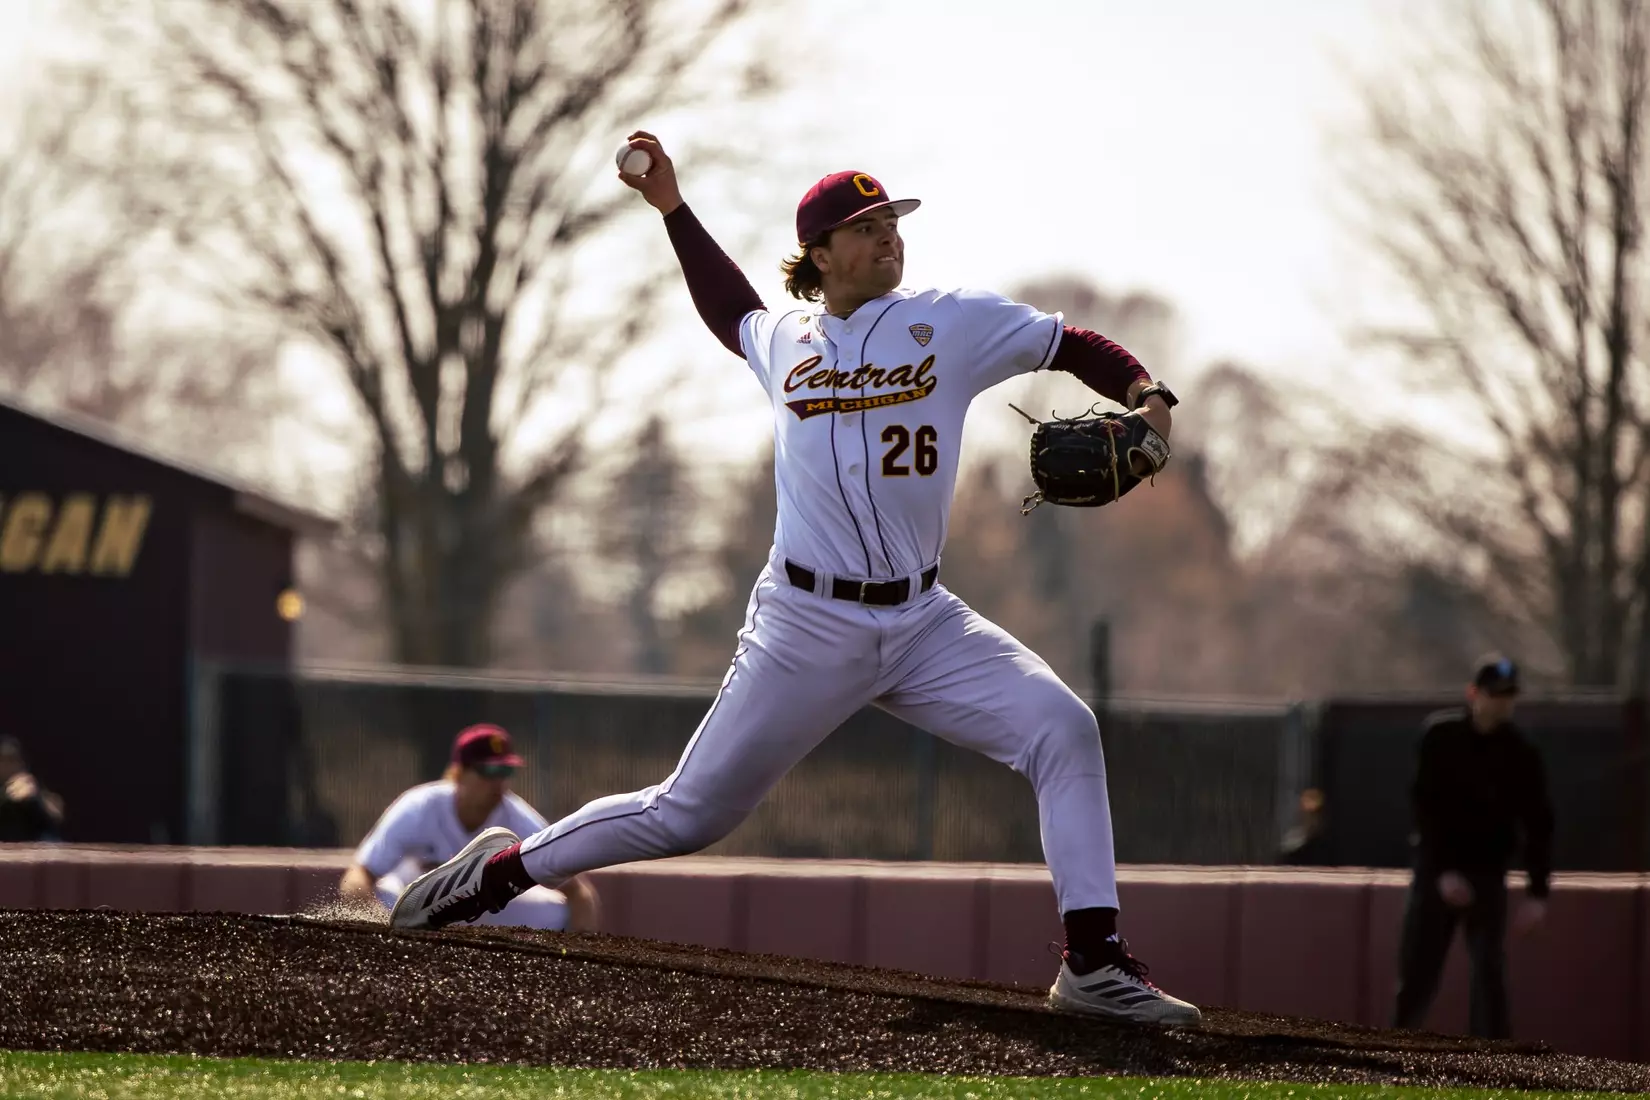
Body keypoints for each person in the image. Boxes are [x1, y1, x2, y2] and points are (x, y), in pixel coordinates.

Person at [390, 133, 1199, 1026]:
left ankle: (1093, 963)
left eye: (892, 221)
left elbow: (1067, 341)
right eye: (866, 226)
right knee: (686, 816)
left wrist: (1148, 395)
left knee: (1064, 729)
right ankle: (499, 872)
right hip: (807, 623)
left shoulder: (951, 321)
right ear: (819, 254)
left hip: (924, 621)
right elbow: (730, 309)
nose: (888, 235)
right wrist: (672, 208)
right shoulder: (785, 340)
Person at [1392, 654, 1553, 1040]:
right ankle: (1394, 1053)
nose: (1502, 703)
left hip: (1486, 873)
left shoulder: (1520, 752)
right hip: (1437, 872)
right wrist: (1443, 871)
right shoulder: (1441, 738)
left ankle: (1494, 1062)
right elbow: (1425, 810)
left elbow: (1538, 822)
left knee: (1489, 974)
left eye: (1509, 696)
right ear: (1473, 693)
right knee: (1417, 974)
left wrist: (1537, 891)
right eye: (1494, 694)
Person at [340, 724, 600, 932]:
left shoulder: (518, 817)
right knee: (386, 899)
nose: (497, 782)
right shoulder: (419, 807)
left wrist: (577, 952)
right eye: (488, 770)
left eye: (505, 771)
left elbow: (580, 893)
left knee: (555, 912)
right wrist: (381, 932)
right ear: (458, 773)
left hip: (483, 910)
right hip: (413, 904)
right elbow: (356, 878)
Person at [0, 736, 65, 843]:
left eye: (11, 760)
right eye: (2, 761)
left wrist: (36, 797)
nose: (7, 766)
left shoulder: (33, 787)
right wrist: (6, 795)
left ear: (21, 763)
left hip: (33, 846)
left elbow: (57, 814)